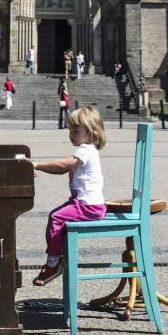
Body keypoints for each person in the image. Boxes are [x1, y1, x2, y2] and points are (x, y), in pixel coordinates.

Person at [29, 106, 108, 286]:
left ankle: (53, 264)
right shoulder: (87, 149)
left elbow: (64, 164)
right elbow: (61, 169)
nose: (71, 135)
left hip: (89, 206)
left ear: (91, 132)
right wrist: (38, 167)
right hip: (86, 204)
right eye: (70, 130)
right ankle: (58, 256)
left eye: (76, 131)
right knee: (57, 215)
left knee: (56, 217)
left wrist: (37, 165)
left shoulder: (85, 150)